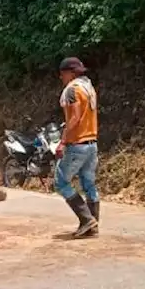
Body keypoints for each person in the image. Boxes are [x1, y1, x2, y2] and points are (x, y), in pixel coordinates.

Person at [54, 57, 100, 238]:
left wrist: (63, 141)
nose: (61, 78)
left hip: (78, 144)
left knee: (60, 182)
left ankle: (86, 219)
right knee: (89, 184)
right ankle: (93, 224)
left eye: (62, 74)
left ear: (70, 73)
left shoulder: (72, 90)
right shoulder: (88, 87)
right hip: (92, 143)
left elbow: (75, 117)